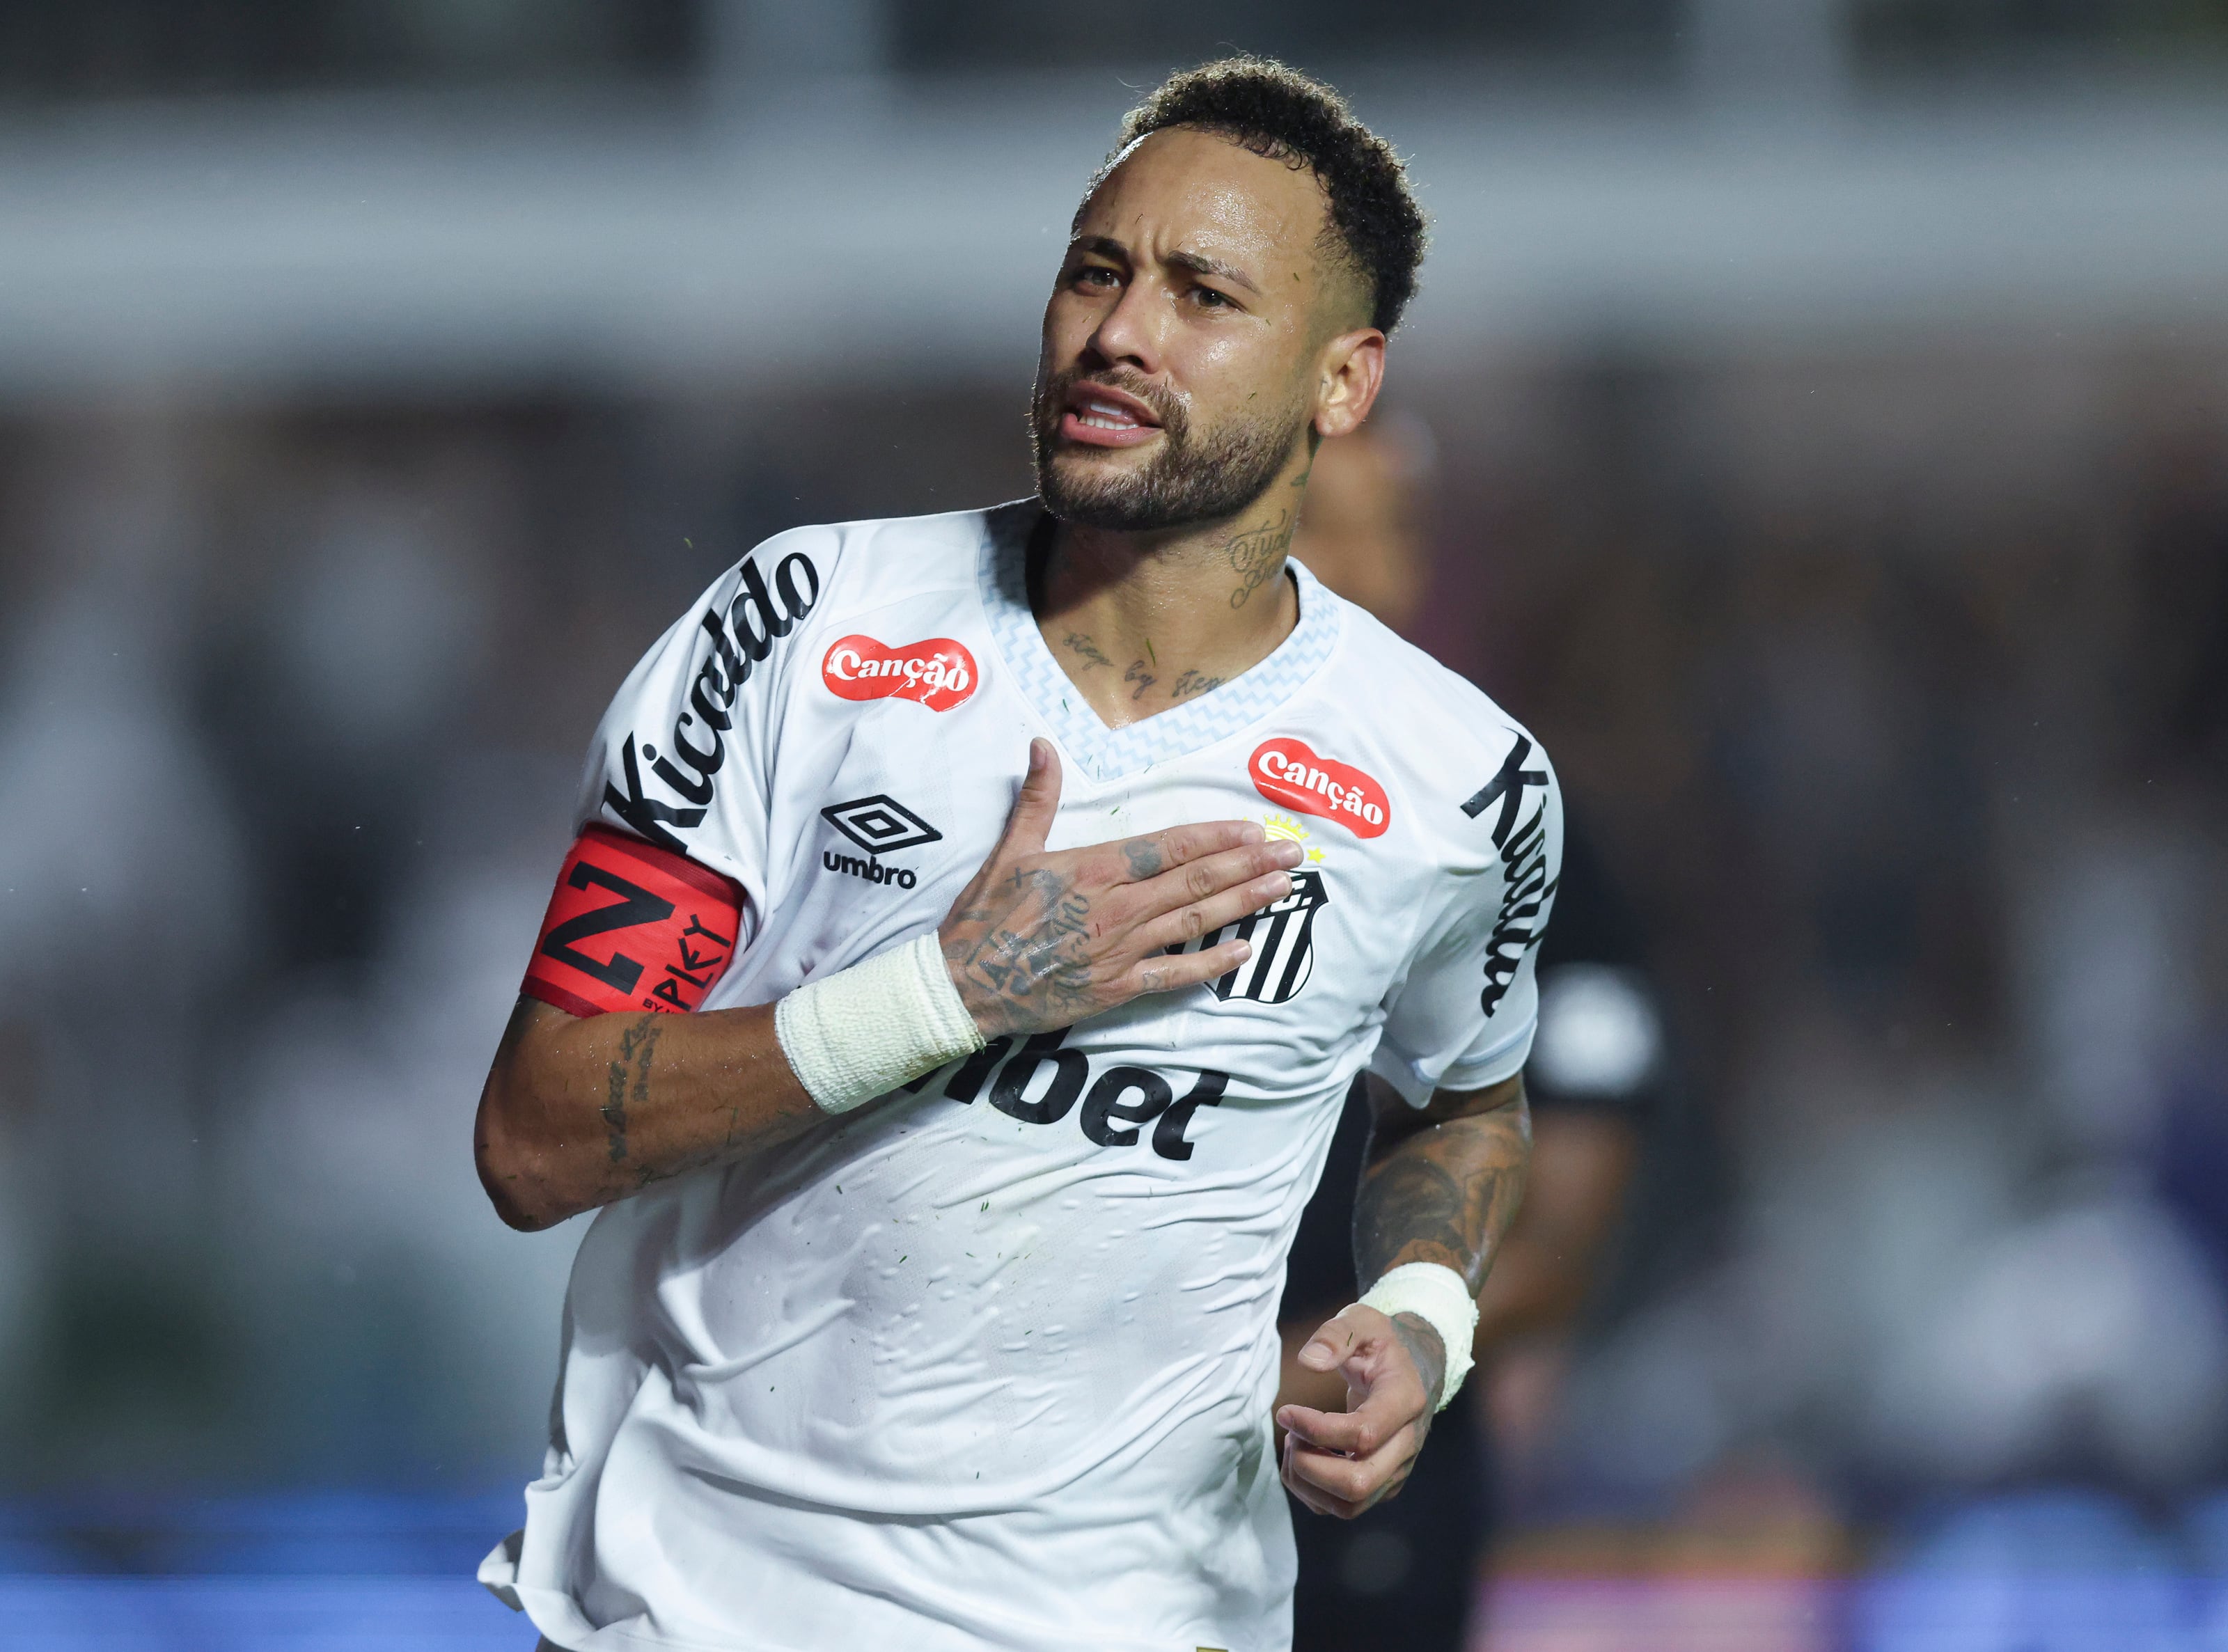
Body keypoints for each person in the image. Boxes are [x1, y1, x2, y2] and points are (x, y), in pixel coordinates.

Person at [472, 57, 1562, 1652]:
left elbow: (1463, 1102)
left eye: (1202, 294)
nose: (1118, 330)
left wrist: (1420, 1314)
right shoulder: (803, 630)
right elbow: (536, 1133)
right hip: (706, 1611)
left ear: (1342, 382)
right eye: (1094, 270)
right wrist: (946, 993)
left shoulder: (1461, 781)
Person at [1277, 423, 1661, 1651]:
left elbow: (1556, 1244)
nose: (1358, 568)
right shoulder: (1117, 796)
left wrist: (1268, 1380)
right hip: (1083, 1489)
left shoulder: (1523, 842)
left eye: (1392, 529)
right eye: (1313, 526)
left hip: (1368, 1492)